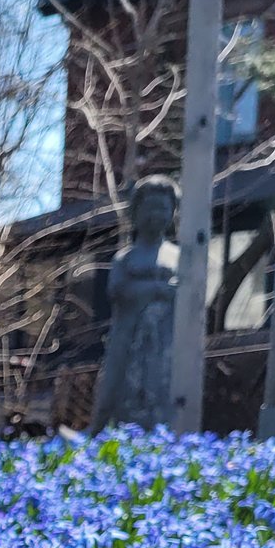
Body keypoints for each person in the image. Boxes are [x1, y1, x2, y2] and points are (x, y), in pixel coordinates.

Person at [91, 177, 181, 432]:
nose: (156, 215)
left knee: (158, 388)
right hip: (127, 337)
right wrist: (155, 289)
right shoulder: (125, 257)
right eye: (150, 207)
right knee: (118, 389)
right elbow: (117, 289)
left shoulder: (179, 256)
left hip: (164, 341)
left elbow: (190, 293)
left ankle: (158, 437)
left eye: (163, 208)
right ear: (136, 212)